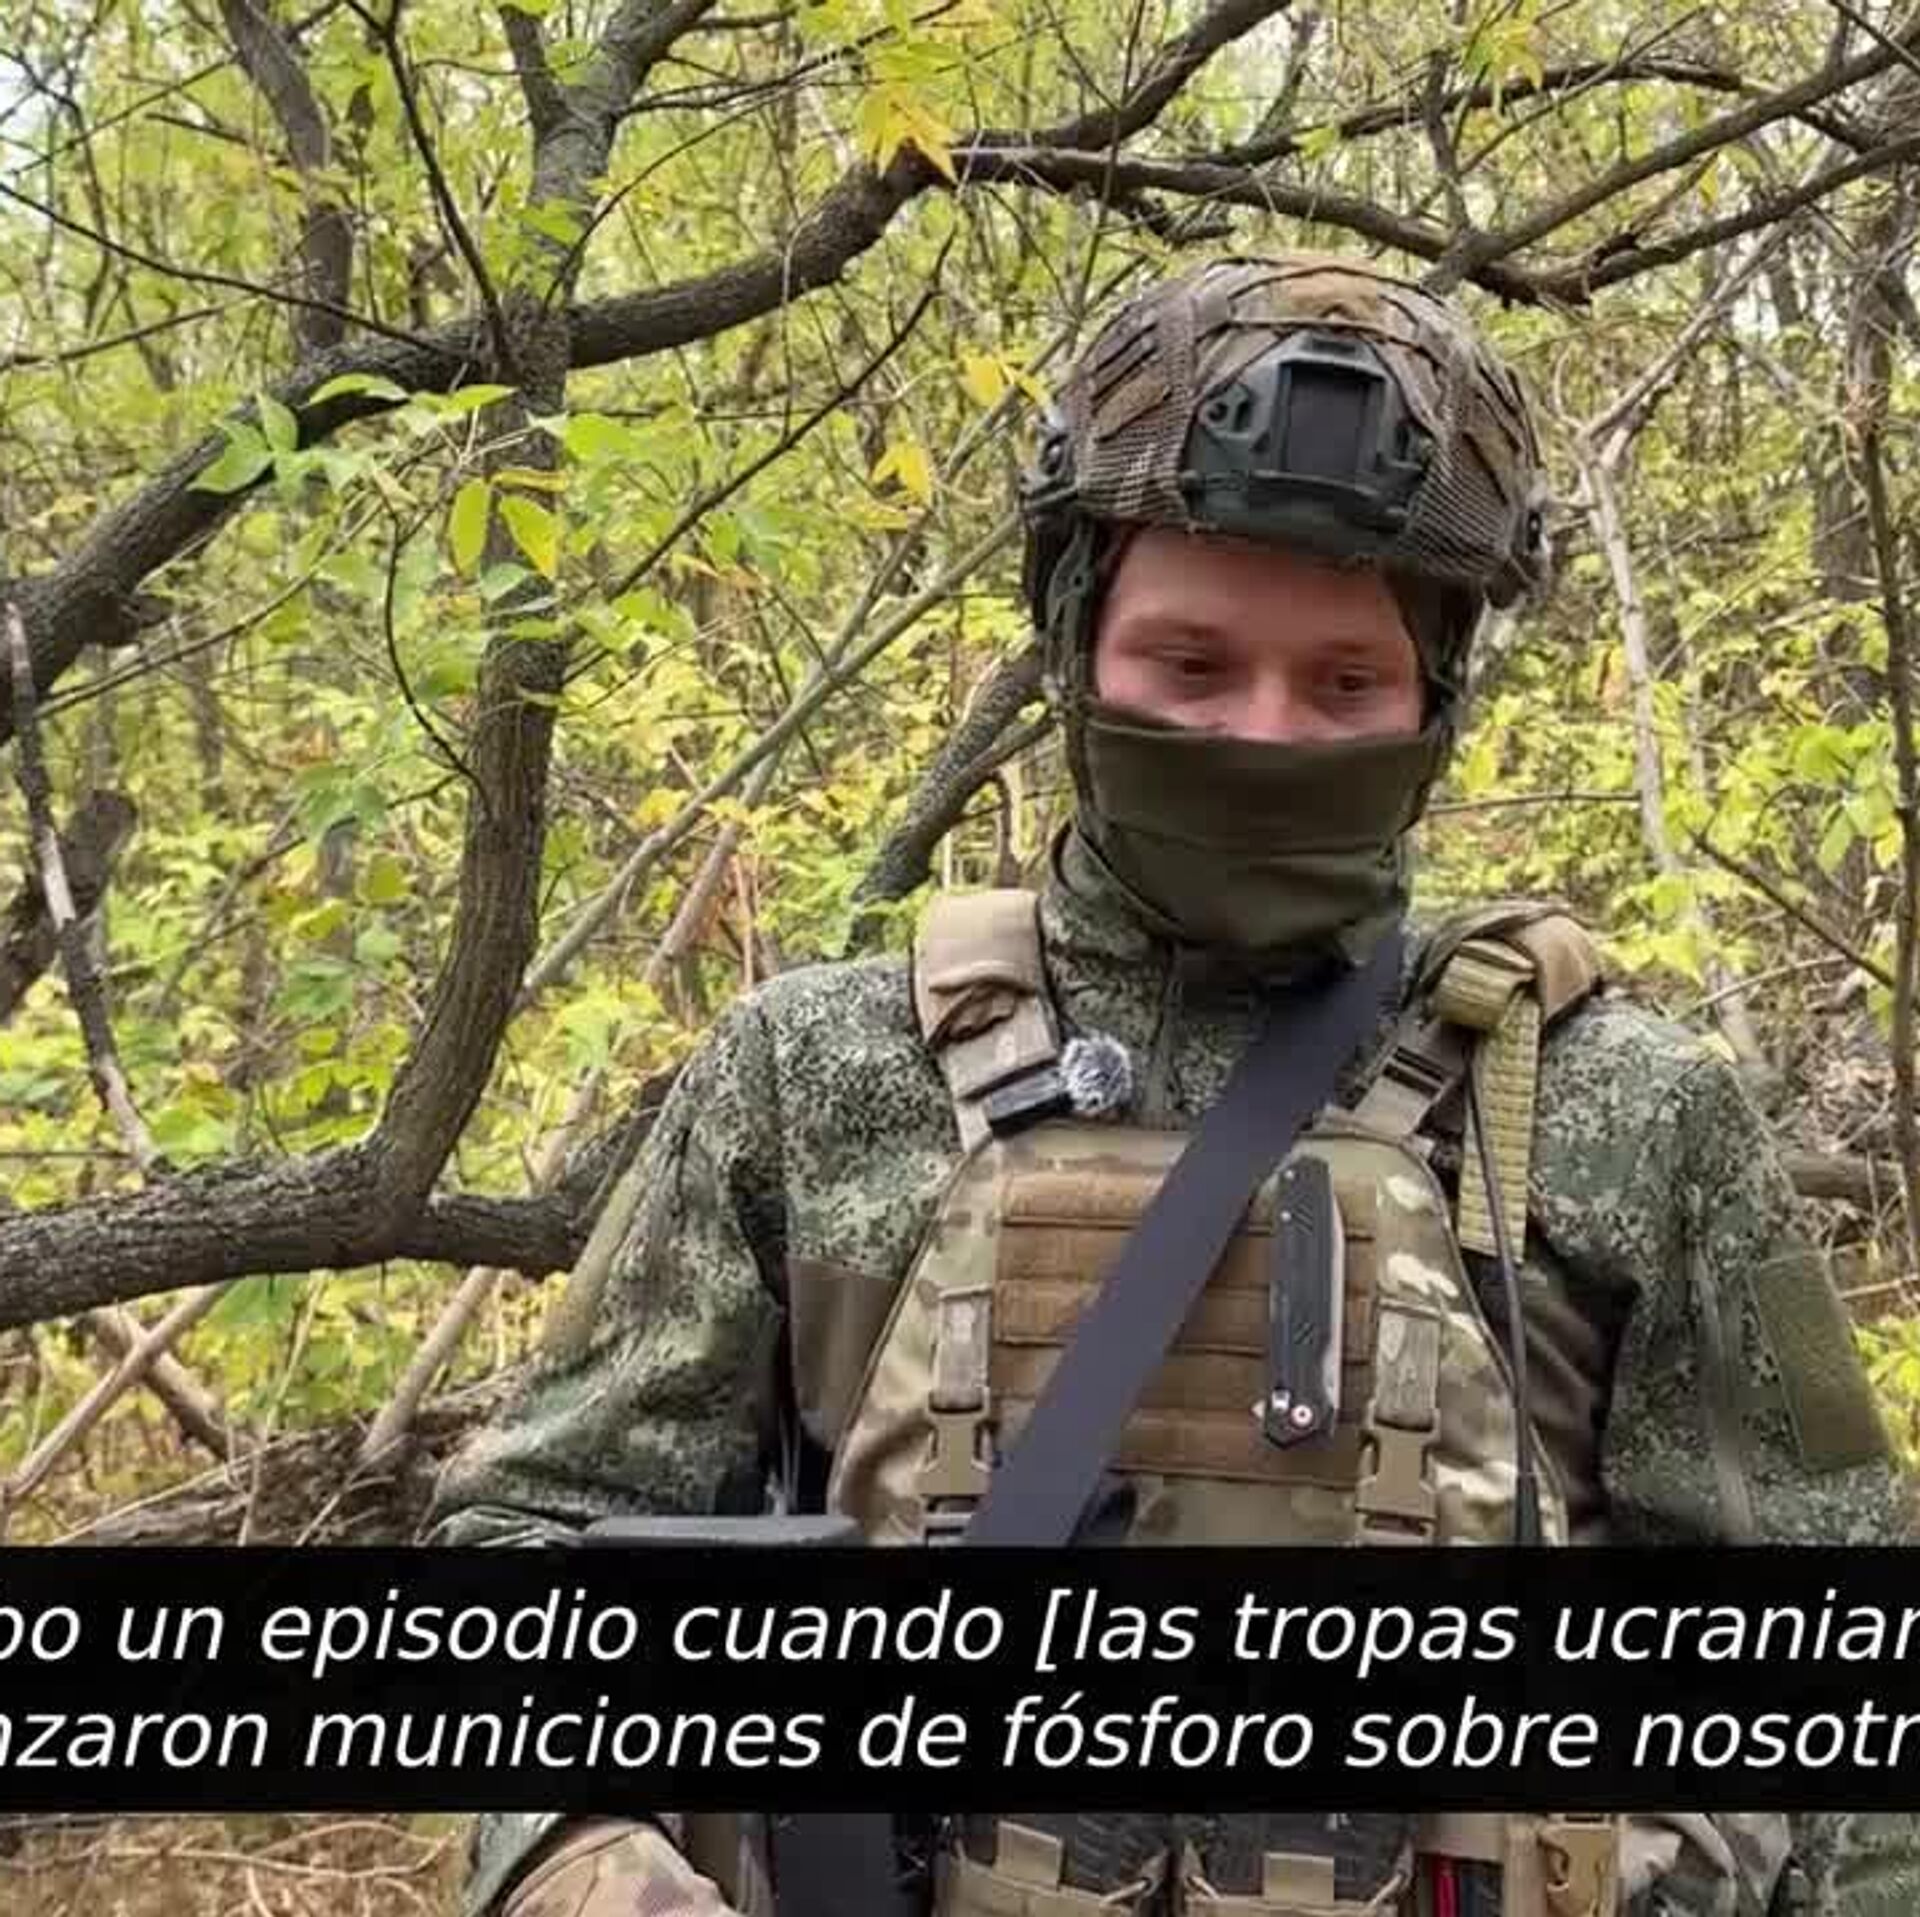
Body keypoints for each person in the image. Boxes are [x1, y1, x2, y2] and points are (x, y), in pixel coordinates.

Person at [429, 252, 1915, 1917]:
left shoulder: (1619, 1108)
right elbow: (537, 1543)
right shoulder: (817, 1071)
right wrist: (592, 1866)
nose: (1264, 735)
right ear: (1076, 643)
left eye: (1343, 682)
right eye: (1191, 667)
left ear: (1434, 696)